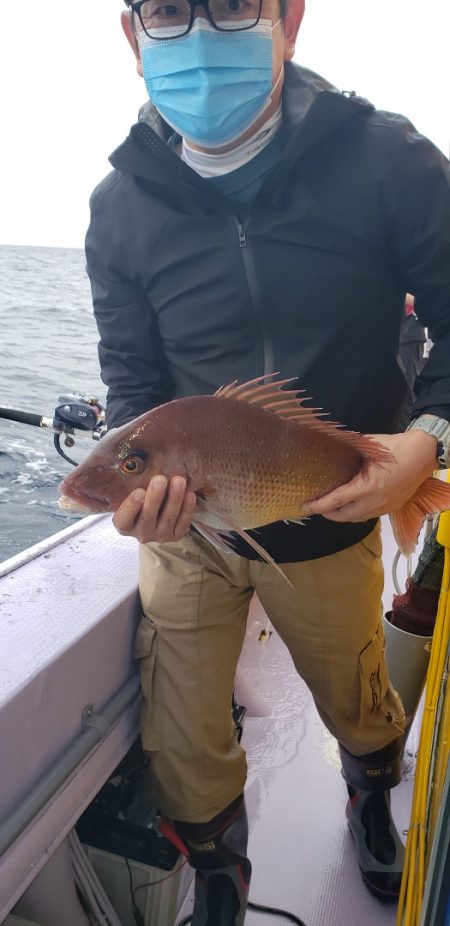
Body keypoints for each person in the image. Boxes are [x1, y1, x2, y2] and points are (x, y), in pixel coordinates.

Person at [85, 0, 450, 919]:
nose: (201, 35)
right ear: (134, 37)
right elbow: (131, 382)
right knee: (182, 720)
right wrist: (139, 481)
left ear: (289, 19)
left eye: (235, 3)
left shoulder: (392, 163)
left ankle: (370, 796)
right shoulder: (118, 208)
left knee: (356, 691)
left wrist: (424, 446)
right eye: (168, 9)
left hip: (336, 502)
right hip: (189, 525)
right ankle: (217, 867)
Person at [397, 293, 427, 431]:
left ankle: (405, 433)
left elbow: (415, 298)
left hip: (409, 335)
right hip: (398, 334)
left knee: (406, 390)